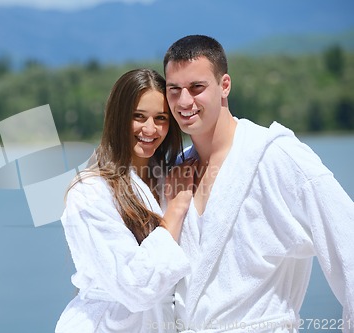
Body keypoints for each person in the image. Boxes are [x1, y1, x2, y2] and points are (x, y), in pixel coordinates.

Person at [163, 34, 354, 332]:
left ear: (225, 85)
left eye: (196, 87)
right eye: (174, 89)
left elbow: (348, 244)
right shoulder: (175, 175)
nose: (184, 101)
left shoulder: (276, 156)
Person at [55, 68, 194, 333]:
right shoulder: (89, 192)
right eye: (138, 117)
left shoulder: (170, 180)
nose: (150, 129)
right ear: (118, 118)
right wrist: (175, 212)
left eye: (161, 118)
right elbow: (135, 287)